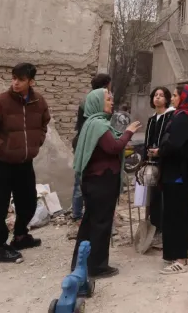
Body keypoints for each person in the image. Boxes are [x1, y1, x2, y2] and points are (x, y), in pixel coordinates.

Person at [0, 63, 50, 263]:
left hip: (25, 162)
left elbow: (44, 124)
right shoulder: (0, 102)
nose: (15, 83)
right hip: (2, 163)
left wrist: (37, 142)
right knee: (0, 205)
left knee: (28, 201)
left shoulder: (39, 102)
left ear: (31, 81)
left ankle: (20, 236)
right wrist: (2, 149)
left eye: (21, 79)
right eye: (14, 78)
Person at [71, 88, 141, 277]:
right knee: (101, 224)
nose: (112, 102)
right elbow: (113, 147)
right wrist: (128, 132)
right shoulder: (98, 125)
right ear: (97, 103)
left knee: (89, 223)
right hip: (101, 182)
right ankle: (97, 267)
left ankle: (80, 263)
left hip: (94, 181)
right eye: (108, 99)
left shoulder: (93, 123)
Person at [148, 84, 188, 275]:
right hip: (176, 174)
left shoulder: (183, 118)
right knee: (174, 216)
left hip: (176, 176)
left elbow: (174, 144)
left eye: (176, 95)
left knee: (176, 217)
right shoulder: (184, 116)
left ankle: (179, 258)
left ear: (184, 98)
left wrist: (160, 150)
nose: (172, 99)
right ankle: (178, 255)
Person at [71, 73, 112, 223]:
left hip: (81, 139)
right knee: (86, 179)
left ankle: (77, 213)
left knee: (80, 178)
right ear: (107, 84)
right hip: (89, 141)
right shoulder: (98, 101)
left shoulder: (87, 99)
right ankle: (86, 214)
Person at [143, 87, 174, 248]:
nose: (158, 98)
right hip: (151, 163)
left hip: (164, 163)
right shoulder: (152, 119)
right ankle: (153, 226)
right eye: (155, 95)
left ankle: (162, 229)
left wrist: (160, 152)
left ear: (167, 99)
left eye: (161, 96)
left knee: (163, 196)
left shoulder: (170, 117)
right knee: (152, 197)